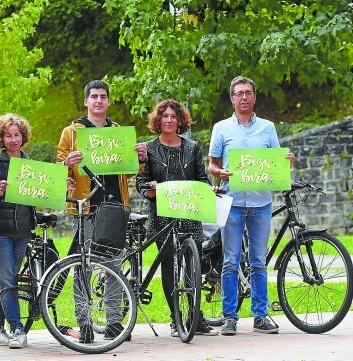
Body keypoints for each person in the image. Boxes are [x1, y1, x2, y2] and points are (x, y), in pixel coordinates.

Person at [57, 80, 147, 342]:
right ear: (86, 101)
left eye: (103, 96)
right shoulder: (71, 131)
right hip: (86, 207)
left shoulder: (117, 131)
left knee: (113, 266)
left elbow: (129, 169)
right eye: (94, 96)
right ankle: (84, 323)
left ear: (108, 102)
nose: (98, 101)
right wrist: (67, 164)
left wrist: (140, 160)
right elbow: (58, 168)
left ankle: (114, 323)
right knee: (83, 266)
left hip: (115, 207)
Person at [208, 76, 295, 336]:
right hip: (232, 203)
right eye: (239, 93)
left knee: (258, 262)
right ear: (232, 98)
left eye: (248, 92)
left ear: (255, 96)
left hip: (260, 205)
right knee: (230, 262)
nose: (244, 97)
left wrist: (286, 160)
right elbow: (212, 165)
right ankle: (229, 318)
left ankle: (260, 315)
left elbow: (276, 163)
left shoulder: (268, 128)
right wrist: (219, 172)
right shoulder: (221, 128)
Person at [135, 99, 218, 337]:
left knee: (193, 268)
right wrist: (148, 190)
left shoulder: (191, 147)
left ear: (180, 120)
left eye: (174, 116)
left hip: (189, 214)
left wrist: (208, 188)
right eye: (165, 116)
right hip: (162, 217)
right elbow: (141, 181)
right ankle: (176, 318)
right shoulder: (149, 149)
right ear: (158, 120)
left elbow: (201, 178)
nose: (169, 120)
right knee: (170, 269)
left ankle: (194, 316)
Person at [0, 113, 35, 349]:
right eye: (8, 136)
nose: (13, 140)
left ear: (23, 136)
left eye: (17, 135)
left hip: (22, 232)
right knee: (9, 281)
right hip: (0, 232)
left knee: (5, 281)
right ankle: (17, 329)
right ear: (0, 138)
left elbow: (38, 197)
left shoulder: (30, 165)